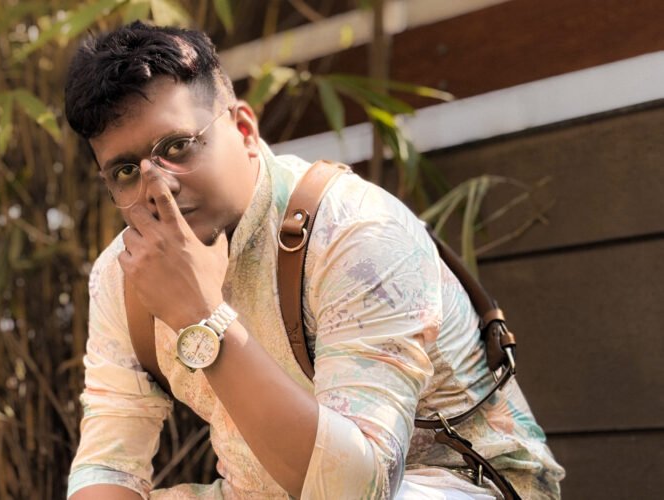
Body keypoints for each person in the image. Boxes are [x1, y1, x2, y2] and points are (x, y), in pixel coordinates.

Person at [63, 21, 564, 500]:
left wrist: (203, 317)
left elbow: (356, 489)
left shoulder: (355, 232)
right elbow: (109, 462)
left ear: (243, 129)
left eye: (177, 146)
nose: (159, 188)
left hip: (454, 482)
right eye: (126, 171)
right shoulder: (123, 276)